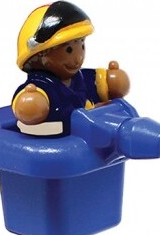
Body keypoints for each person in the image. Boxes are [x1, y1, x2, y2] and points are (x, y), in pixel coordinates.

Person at [12, 1, 130, 135]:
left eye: (82, 46)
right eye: (69, 50)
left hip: (90, 131)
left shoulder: (79, 78)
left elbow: (98, 83)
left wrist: (110, 82)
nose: (79, 57)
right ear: (40, 54)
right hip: (62, 138)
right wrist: (32, 103)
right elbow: (26, 107)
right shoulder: (41, 87)